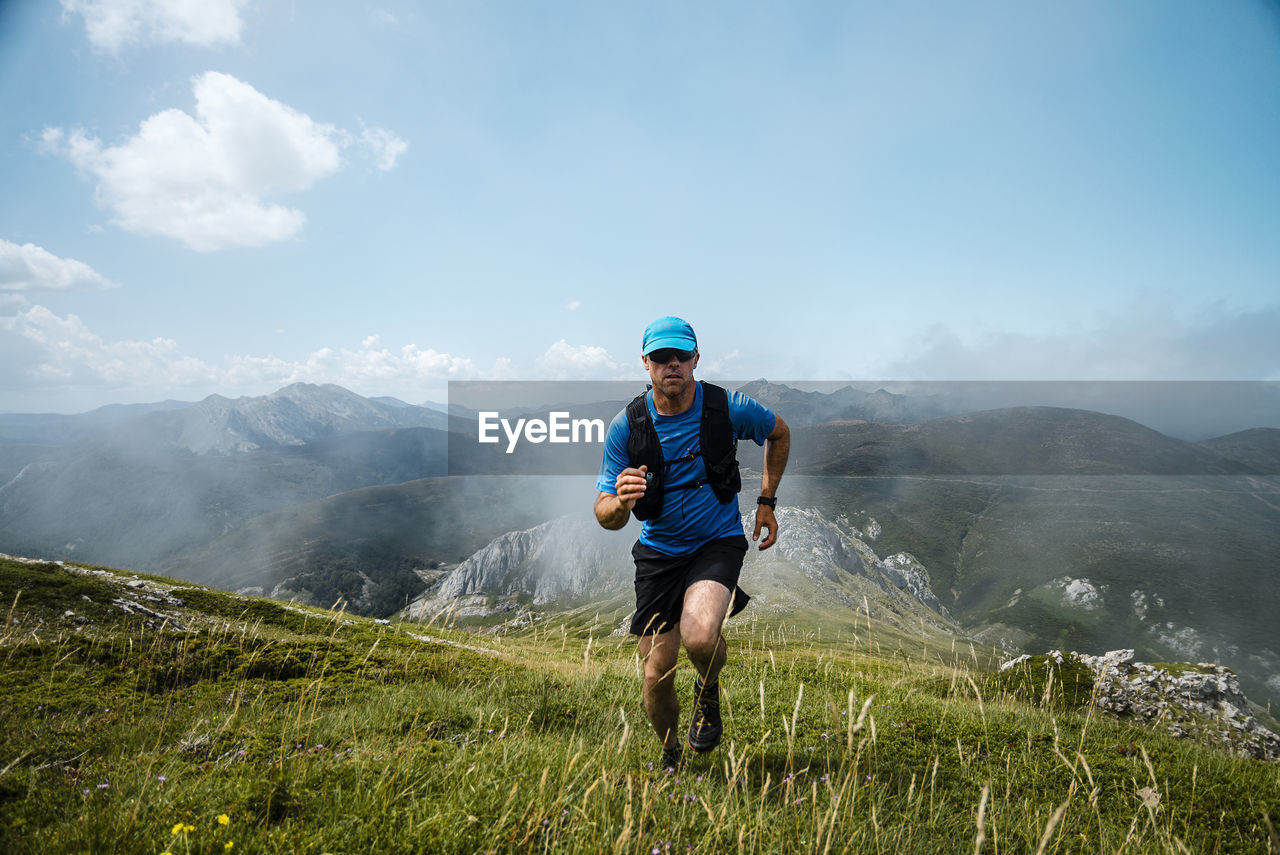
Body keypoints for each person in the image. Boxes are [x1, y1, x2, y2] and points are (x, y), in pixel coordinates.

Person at [594, 316, 790, 771]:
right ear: (646, 363)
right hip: (658, 552)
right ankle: (670, 755)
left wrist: (766, 502)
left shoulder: (727, 407)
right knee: (655, 675)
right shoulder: (628, 427)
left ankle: (708, 690)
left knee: (700, 636)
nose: (673, 365)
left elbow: (779, 432)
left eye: (681, 355)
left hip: (716, 541)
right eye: (662, 357)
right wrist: (621, 504)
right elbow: (604, 514)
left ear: (696, 358)